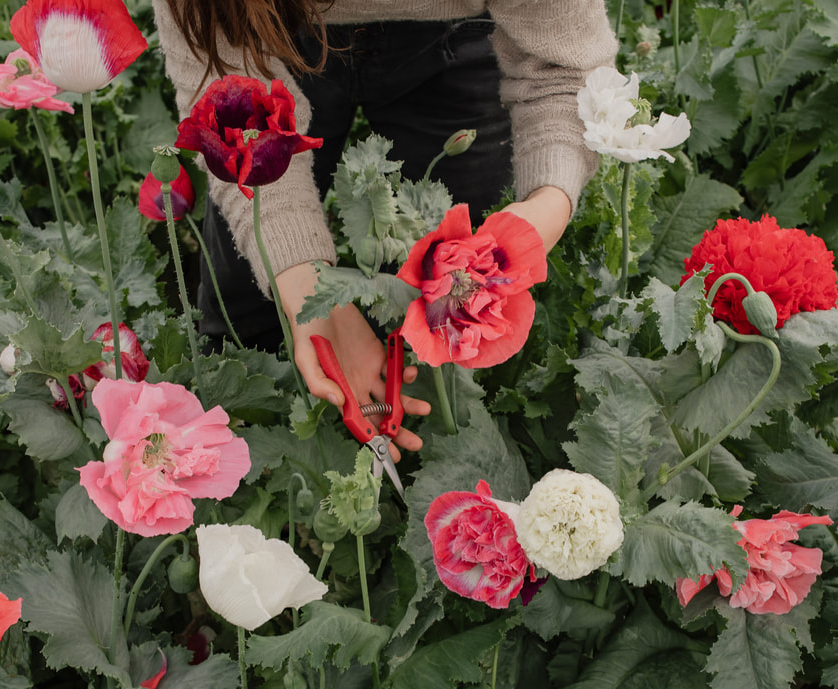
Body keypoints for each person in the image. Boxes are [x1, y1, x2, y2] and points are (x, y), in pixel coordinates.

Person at [152, 0, 617, 456]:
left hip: (456, 30)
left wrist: (544, 208)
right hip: (264, 27)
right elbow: (224, 95)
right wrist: (300, 277)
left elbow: (561, 69)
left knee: (457, 355)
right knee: (245, 329)